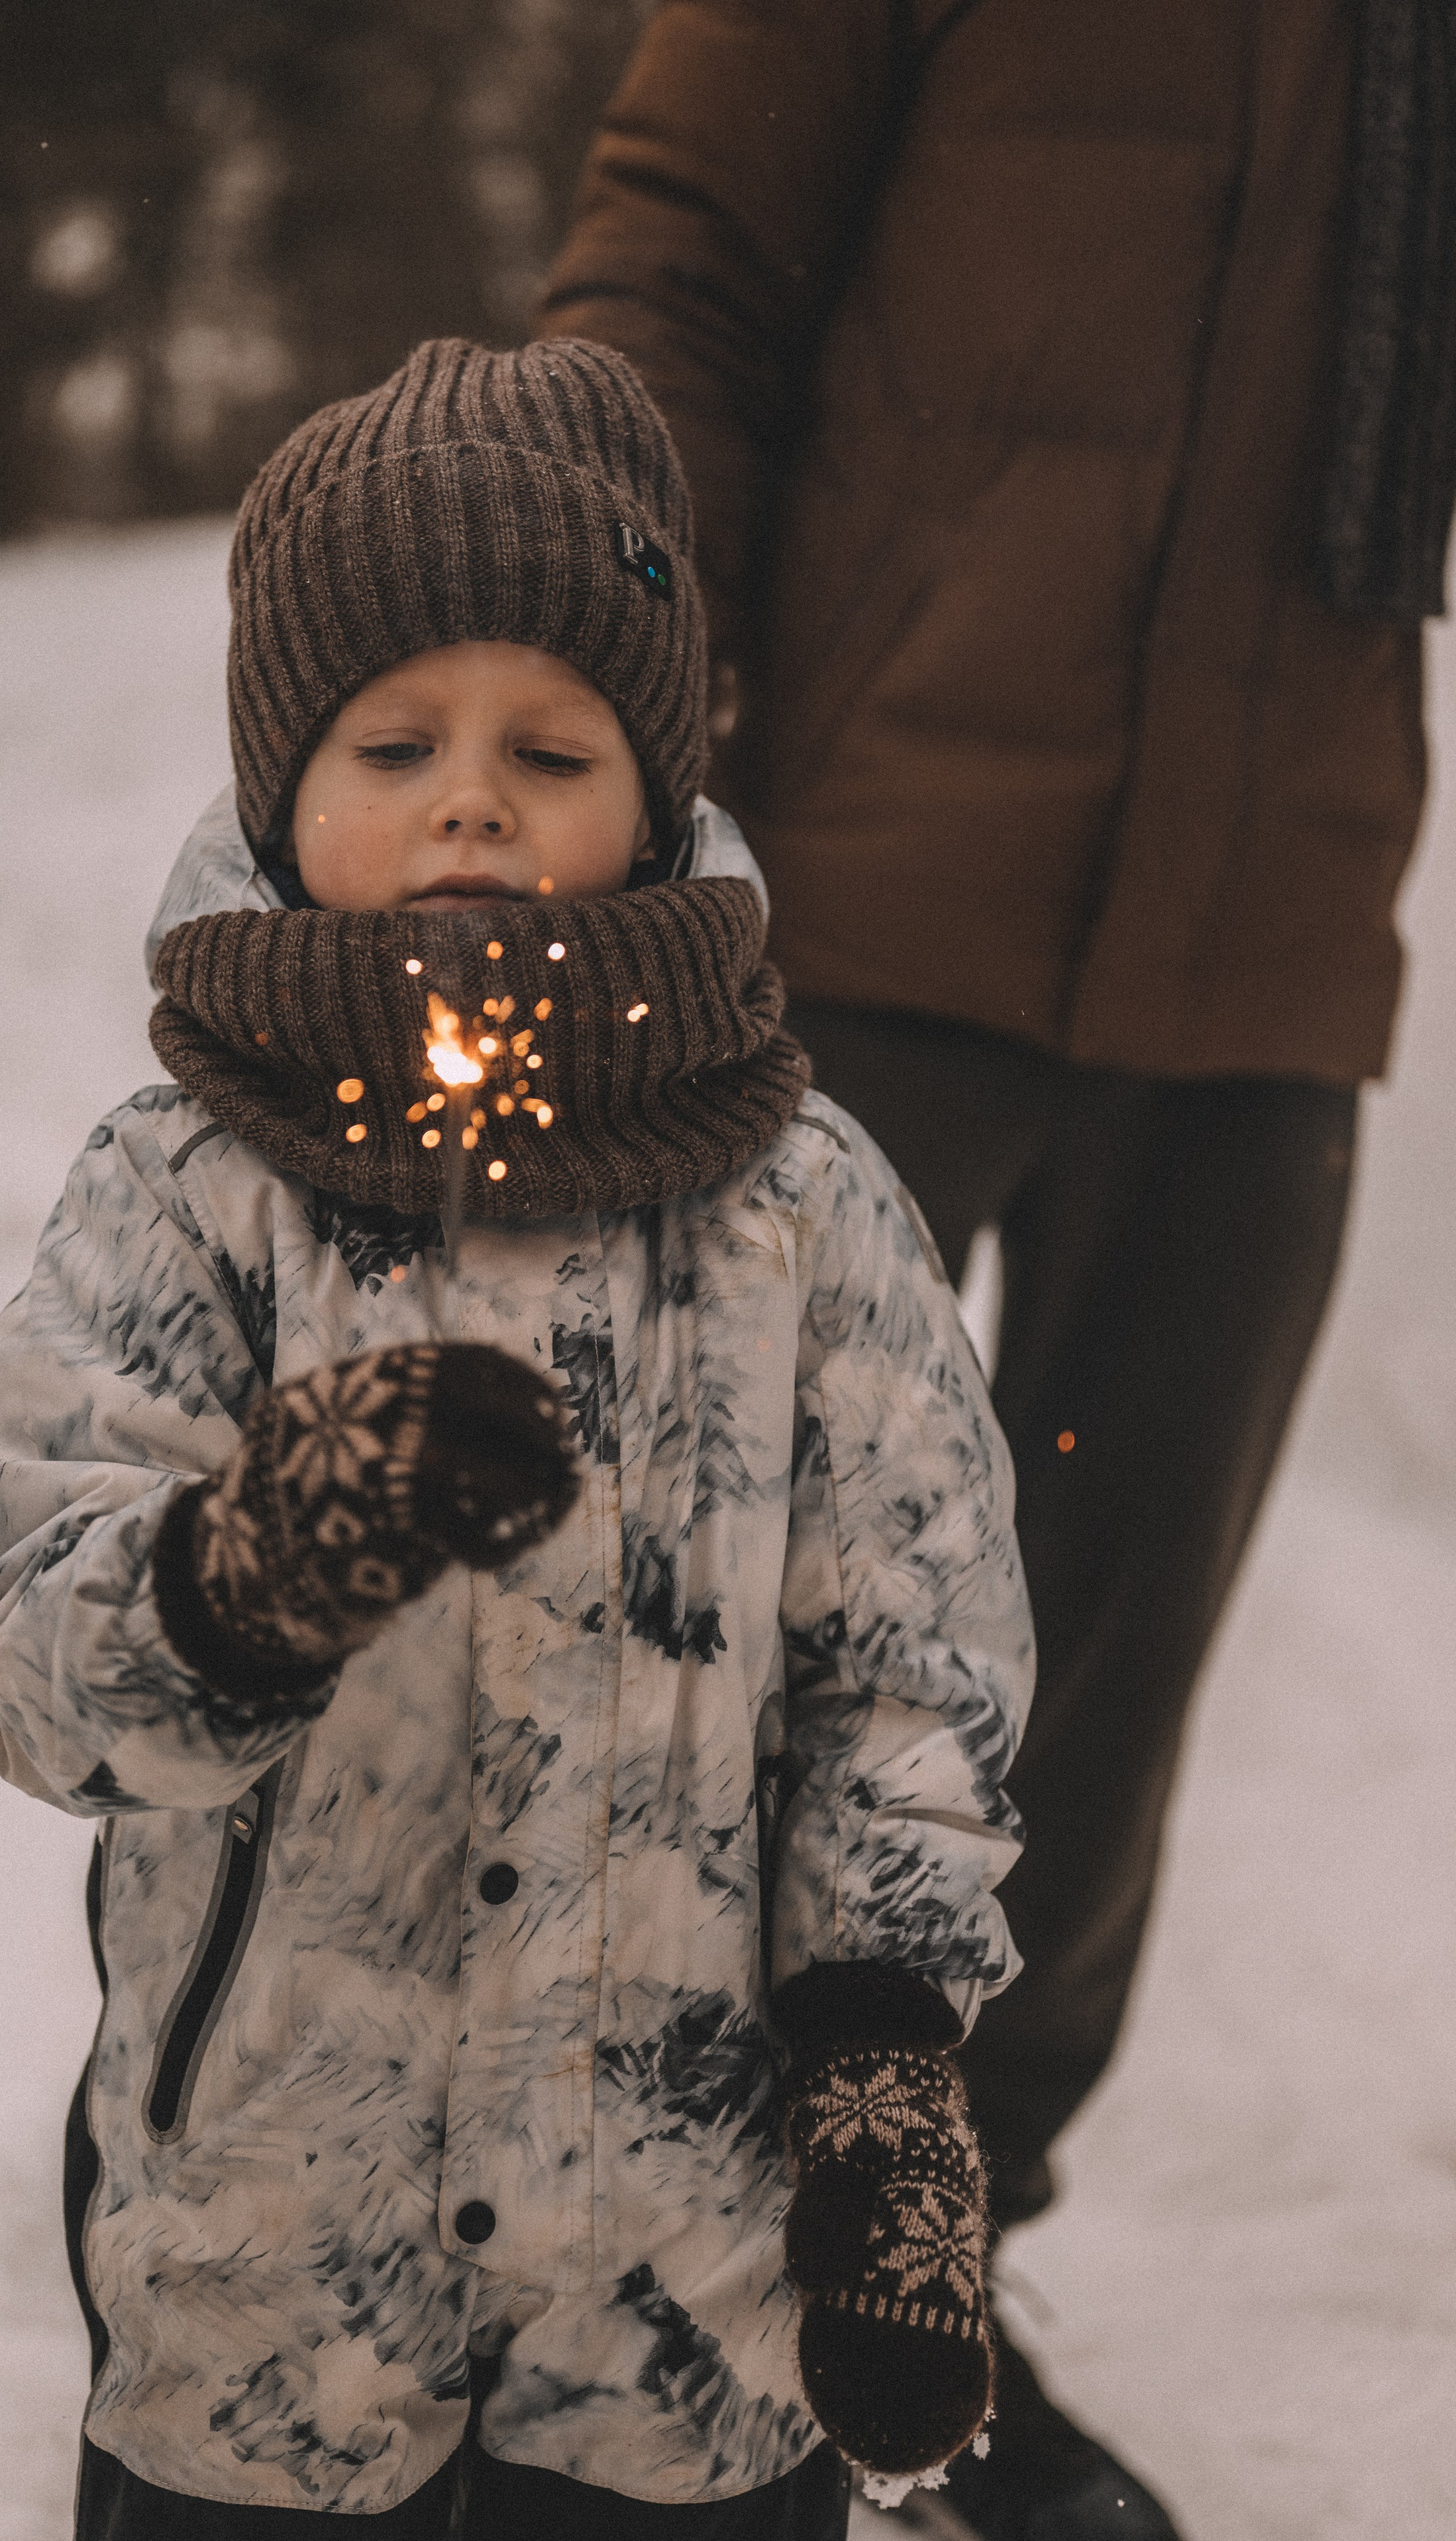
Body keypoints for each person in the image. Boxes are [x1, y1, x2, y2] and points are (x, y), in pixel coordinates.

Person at [0, 336, 1036, 2539]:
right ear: (283, 789)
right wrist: (246, 1569)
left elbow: (908, 1671)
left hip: (679, 2306)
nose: (473, 800)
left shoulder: (803, 1205)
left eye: (551, 746)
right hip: (270, 2297)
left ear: (657, 794)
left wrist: (888, 2080)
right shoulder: (189, 1192)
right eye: (396, 741)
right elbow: (40, 1666)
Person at [537, 4, 1446, 2535]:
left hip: (1268, 917)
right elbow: (684, 262)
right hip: (859, 865)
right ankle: (572, 2261)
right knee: (695, 1633)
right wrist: (589, 701)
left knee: (1092, 1680)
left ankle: (913, 2287)